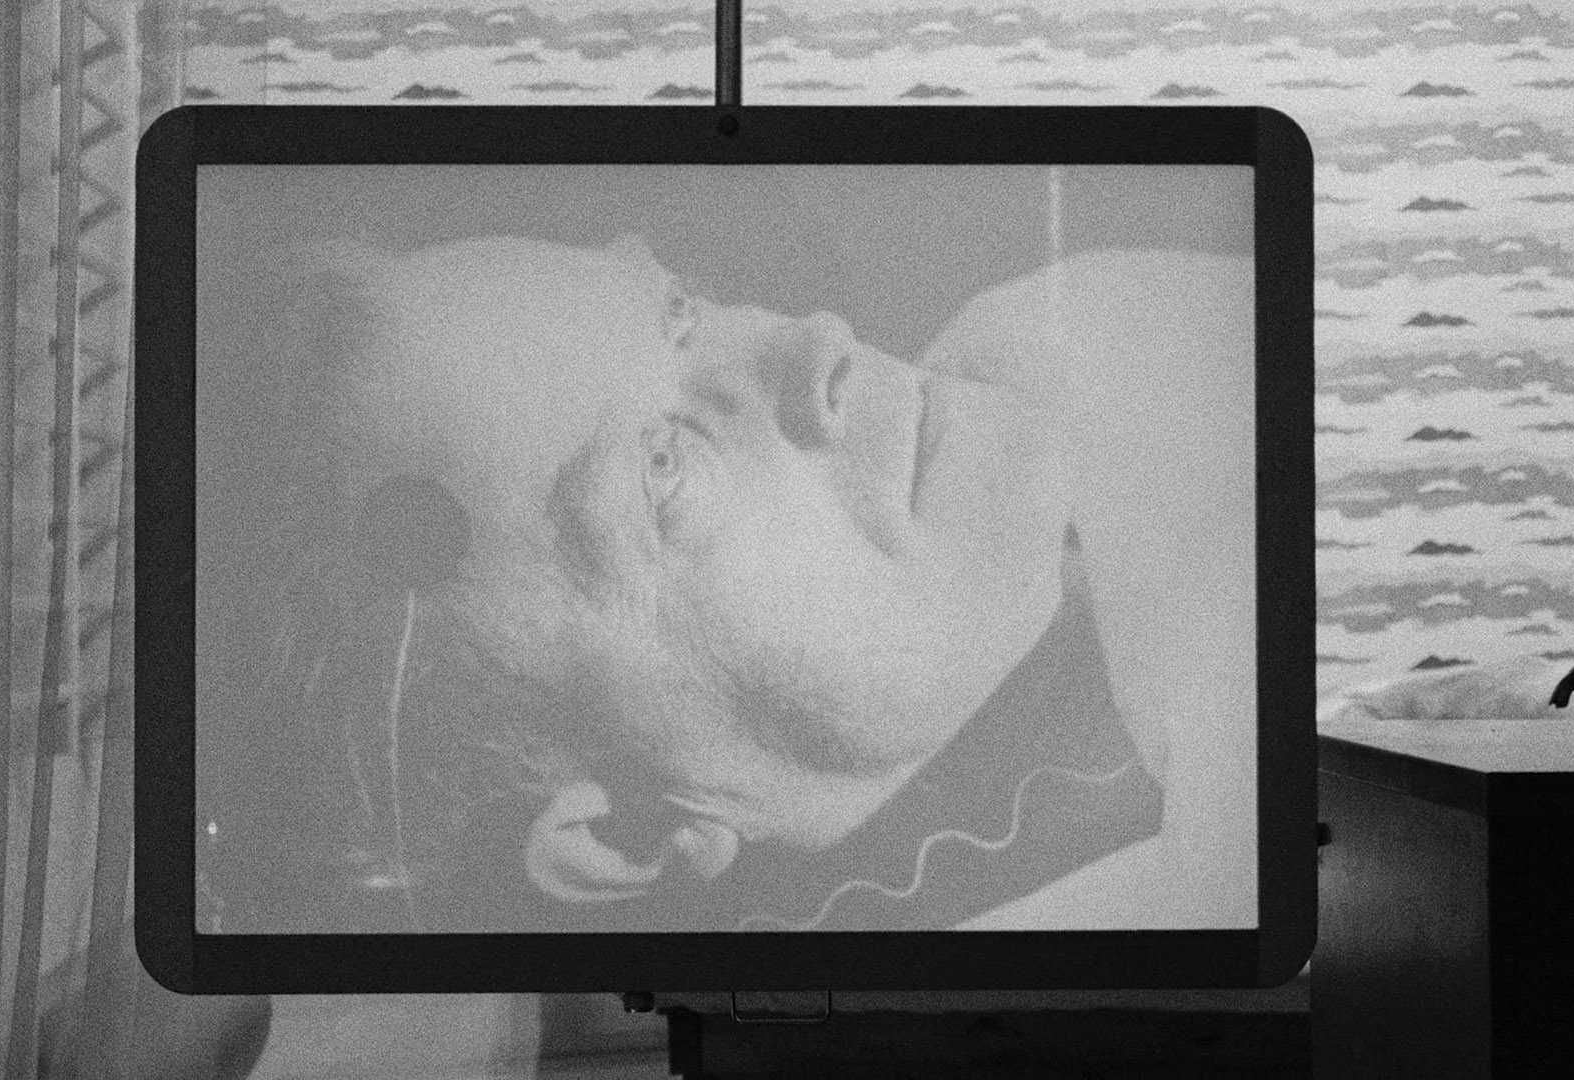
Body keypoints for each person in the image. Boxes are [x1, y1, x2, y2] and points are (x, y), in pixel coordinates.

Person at [209, 233, 1254, 933]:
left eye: (685, 313)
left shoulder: (1096, 331)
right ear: (621, 831)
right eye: (664, 466)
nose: (816, 341)